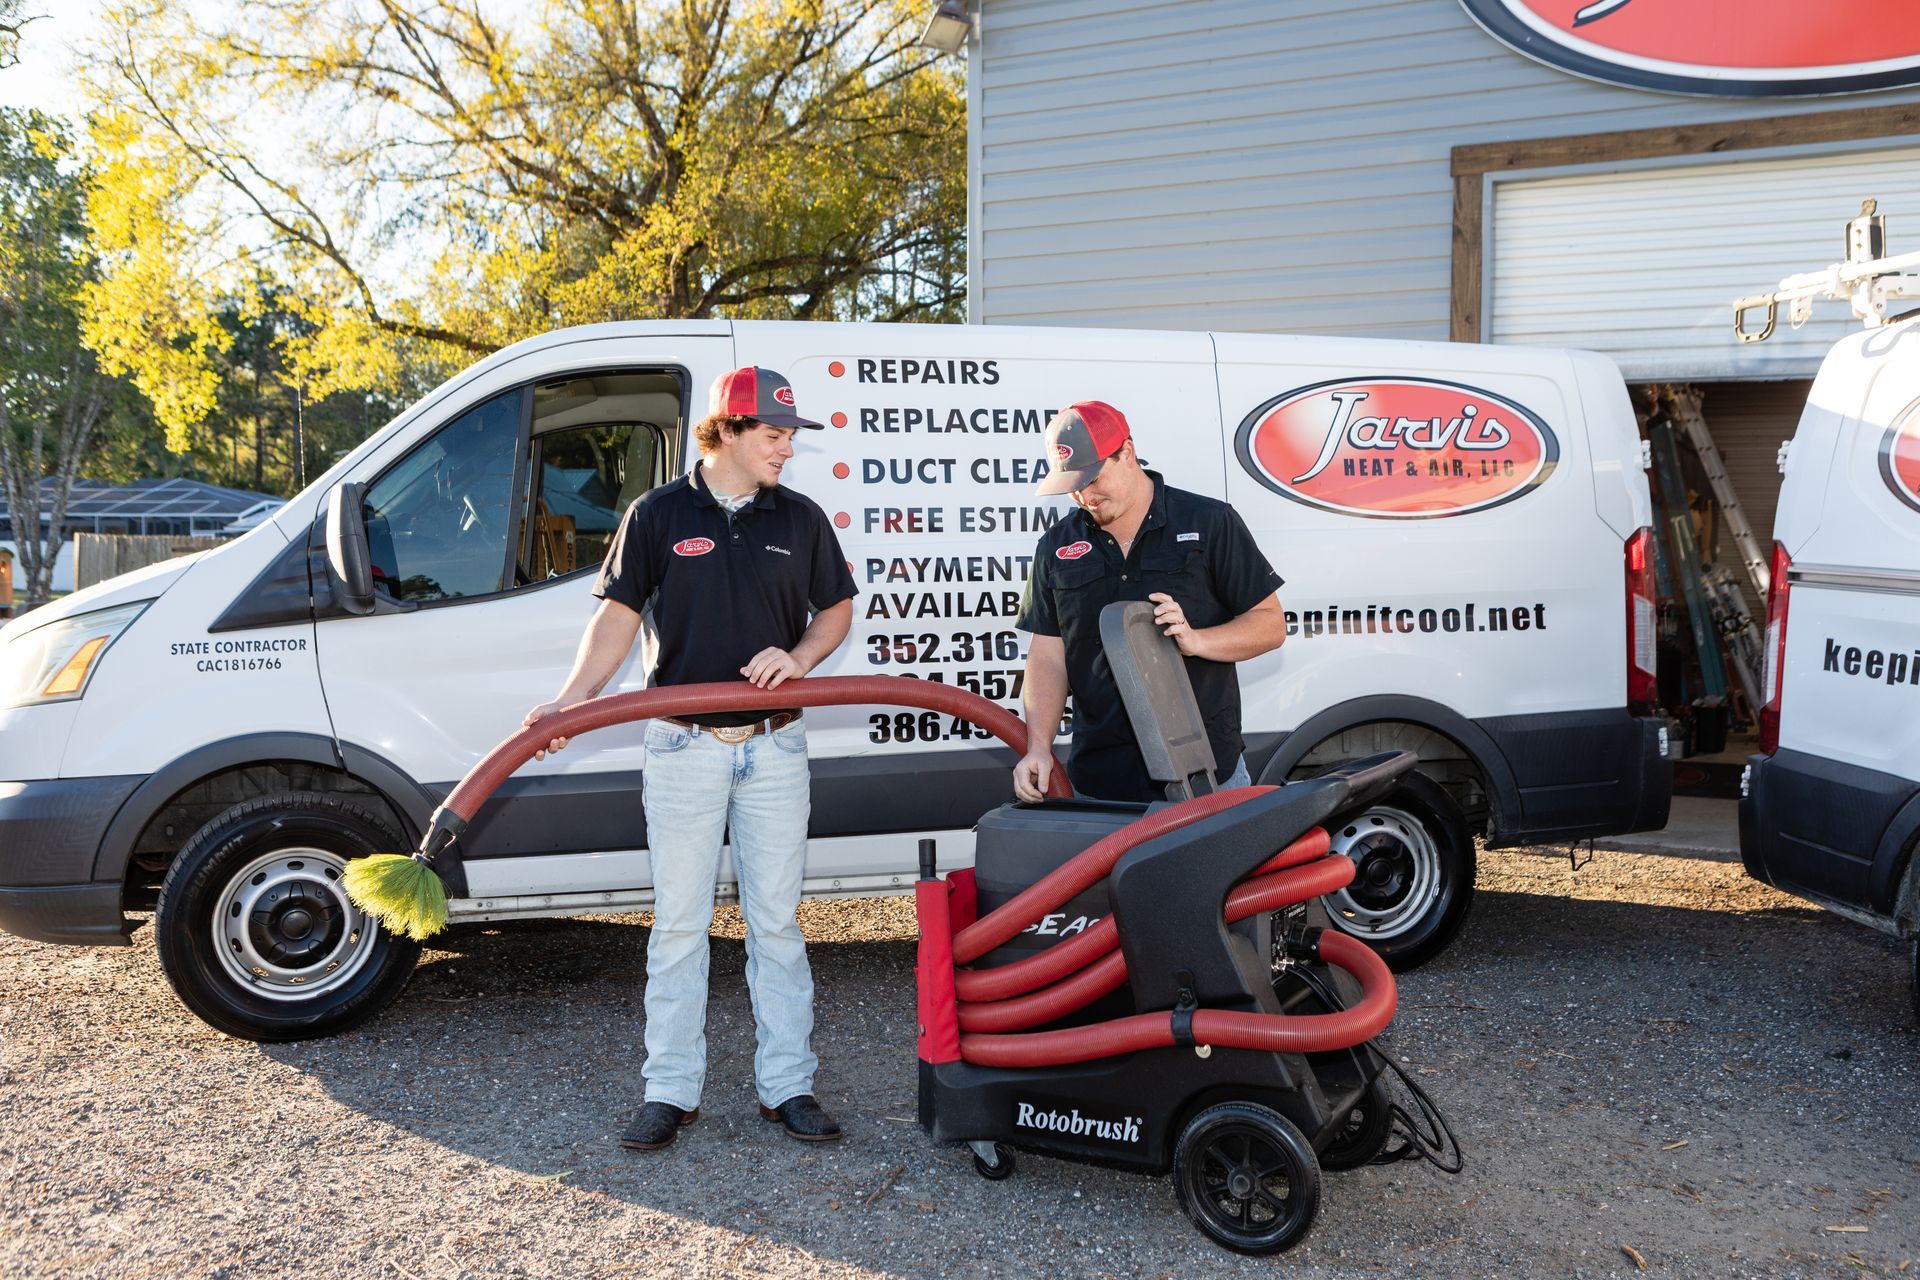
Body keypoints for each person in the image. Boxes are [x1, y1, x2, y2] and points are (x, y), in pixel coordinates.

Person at [524, 366, 856, 1151]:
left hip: (775, 745)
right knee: (678, 926)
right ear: (729, 431)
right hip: (681, 747)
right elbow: (615, 620)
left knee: (776, 923)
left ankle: (790, 1087)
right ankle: (669, 1090)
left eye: (790, 436)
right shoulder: (658, 513)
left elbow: (836, 608)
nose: (786, 449)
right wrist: (572, 701)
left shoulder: (800, 518)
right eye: (774, 435)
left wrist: (801, 656)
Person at [1013, 400, 1287, 804]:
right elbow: (1048, 656)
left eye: (1092, 478)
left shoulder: (1208, 522)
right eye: (1073, 486)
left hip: (1205, 778)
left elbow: (1270, 624)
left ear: (1126, 452)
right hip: (1101, 787)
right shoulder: (1056, 546)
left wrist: (1197, 641)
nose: (1085, 495)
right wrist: (1038, 747)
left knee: (1212, 871)